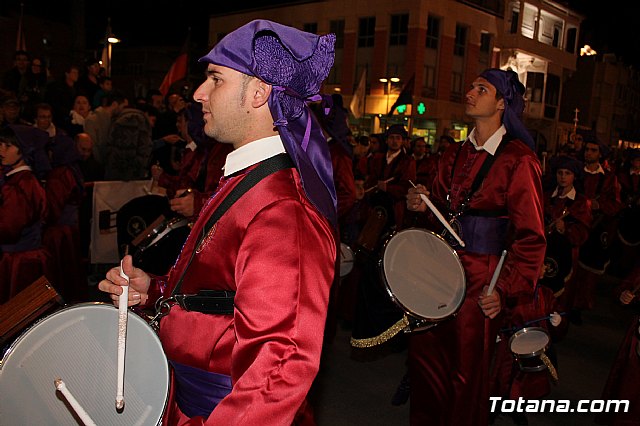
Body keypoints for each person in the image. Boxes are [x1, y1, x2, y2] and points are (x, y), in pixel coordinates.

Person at [98, 20, 337, 424]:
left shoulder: (283, 212)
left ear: (259, 92)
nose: (198, 93)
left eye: (215, 78)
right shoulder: (248, 179)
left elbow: (278, 371)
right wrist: (155, 292)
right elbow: (226, 296)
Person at [406, 68, 546, 425]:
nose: (469, 92)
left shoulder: (519, 159)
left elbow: (530, 237)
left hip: (482, 278)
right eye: (470, 86)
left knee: (468, 371)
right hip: (440, 268)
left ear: (502, 104)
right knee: (428, 359)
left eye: (481, 89)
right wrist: (424, 204)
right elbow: (440, 208)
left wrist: (505, 288)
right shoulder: (453, 153)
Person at [0, 125, 51, 303]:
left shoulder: (20, 185)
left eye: (8, 146)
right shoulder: (21, 180)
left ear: (23, 151)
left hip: (19, 262)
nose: (2, 150)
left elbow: (8, 228)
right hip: (25, 256)